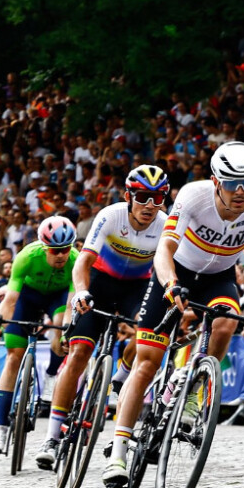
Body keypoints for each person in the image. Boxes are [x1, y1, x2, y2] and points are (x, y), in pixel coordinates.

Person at [103, 142, 244, 486]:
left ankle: (194, 395)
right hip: (177, 272)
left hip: (219, 279)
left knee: (227, 322)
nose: (241, 191)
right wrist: (170, 283)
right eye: (232, 183)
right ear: (216, 181)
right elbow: (165, 249)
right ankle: (119, 452)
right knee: (148, 360)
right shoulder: (193, 195)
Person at [33, 165, 169, 470]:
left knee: (150, 329)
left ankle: (121, 374)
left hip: (137, 286)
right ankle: (53, 437)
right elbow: (83, 261)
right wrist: (80, 292)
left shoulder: (164, 224)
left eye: (158, 198)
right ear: (128, 196)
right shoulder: (111, 215)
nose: (150, 205)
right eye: (143, 197)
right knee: (80, 352)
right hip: (100, 282)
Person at [0, 216, 78, 454]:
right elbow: (11, 299)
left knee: (60, 328)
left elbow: (69, 307)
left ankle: (49, 376)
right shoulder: (27, 256)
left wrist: (66, 332)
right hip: (26, 297)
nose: (61, 255)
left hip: (57, 300)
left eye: (65, 249)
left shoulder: (76, 261)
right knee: (14, 356)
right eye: (55, 251)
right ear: (44, 247)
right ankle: (1, 429)